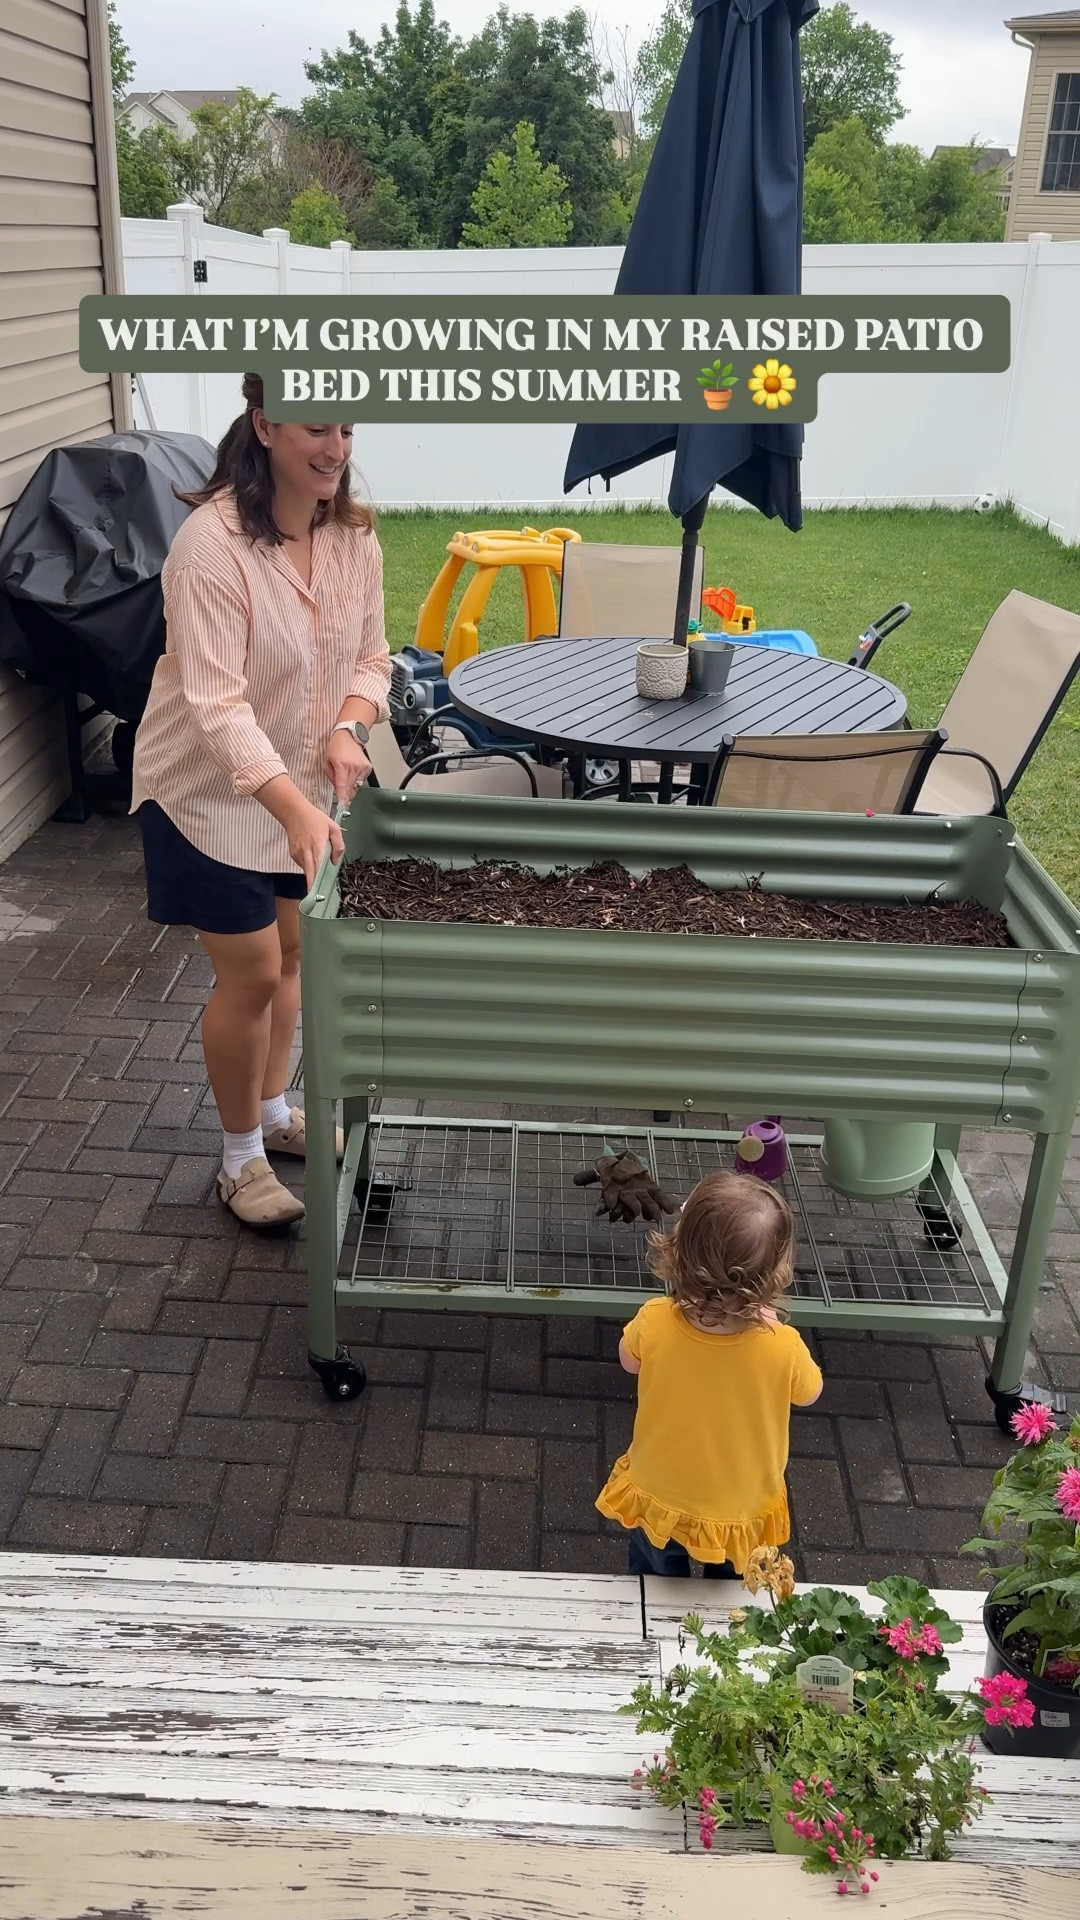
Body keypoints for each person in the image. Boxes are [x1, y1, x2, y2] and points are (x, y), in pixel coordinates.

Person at [130, 372, 391, 1231]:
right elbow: (215, 705)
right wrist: (289, 804)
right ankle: (239, 1158)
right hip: (206, 795)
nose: (337, 448)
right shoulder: (211, 548)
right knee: (249, 972)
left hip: (305, 796)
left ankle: (274, 1113)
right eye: (318, 425)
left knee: (292, 957)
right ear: (265, 422)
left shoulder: (354, 537)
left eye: (348, 426)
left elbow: (372, 659)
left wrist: (351, 727)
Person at [596, 1170, 822, 1578]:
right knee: (737, 1583)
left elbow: (629, 1361)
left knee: (656, 1573)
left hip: (662, 1490)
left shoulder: (654, 1321)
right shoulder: (782, 1345)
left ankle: (656, 1625)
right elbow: (809, 1393)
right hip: (741, 1499)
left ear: (679, 1252)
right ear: (772, 1275)